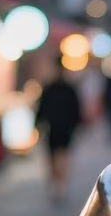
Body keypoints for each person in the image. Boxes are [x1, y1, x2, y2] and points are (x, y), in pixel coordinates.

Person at [35, 59, 82, 202]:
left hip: (58, 128)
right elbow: (76, 110)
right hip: (57, 128)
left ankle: (59, 184)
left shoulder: (54, 88)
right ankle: (59, 184)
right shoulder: (63, 88)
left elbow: (41, 109)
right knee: (56, 157)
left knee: (58, 157)